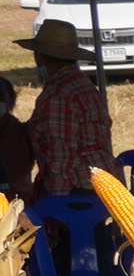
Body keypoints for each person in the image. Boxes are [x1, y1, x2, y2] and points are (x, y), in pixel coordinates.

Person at [21, 16, 112, 196]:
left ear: (39, 57)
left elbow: (60, 152)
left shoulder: (59, 95)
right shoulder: (81, 83)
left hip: (79, 188)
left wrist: (60, 202)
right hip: (102, 179)